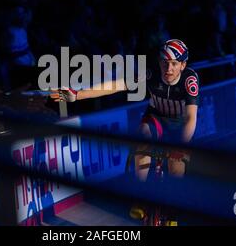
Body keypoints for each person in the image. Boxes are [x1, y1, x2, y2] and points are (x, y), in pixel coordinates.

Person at [51, 39, 199, 223]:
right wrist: (77, 94)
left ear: (183, 65)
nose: (168, 69)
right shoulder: (151, 72)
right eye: (164, 62)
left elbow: (191, 118)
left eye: (174, 64)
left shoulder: (190, 80)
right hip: (156, 119)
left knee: (176, 167)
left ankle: (173, 211)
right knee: (142, 136)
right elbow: (116, 85)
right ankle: (141, 196)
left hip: (179, 125)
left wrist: (181, 146)